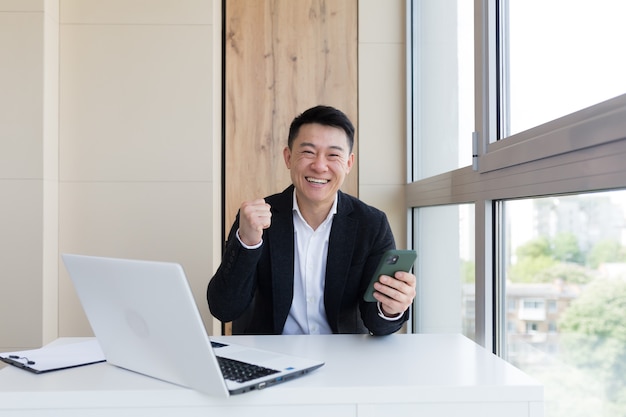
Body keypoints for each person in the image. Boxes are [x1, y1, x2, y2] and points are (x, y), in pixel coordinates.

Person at [207, 105, 416, 335]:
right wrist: (247, 243)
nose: (319, 166)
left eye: (333, 155)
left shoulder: (371, 224)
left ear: (349, 163)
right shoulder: (256, 218)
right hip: (272, 357)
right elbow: (223, 309)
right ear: (288, 157)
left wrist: (390, 308)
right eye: (308, 152)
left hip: (343, 358)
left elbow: (377, 324)